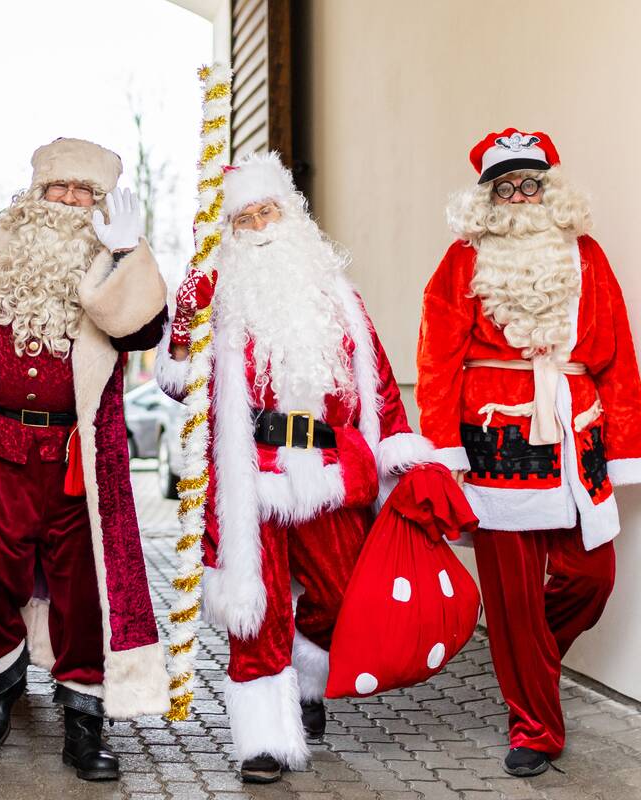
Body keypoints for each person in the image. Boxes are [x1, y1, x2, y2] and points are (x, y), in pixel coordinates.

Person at [0, 138, 170, 781]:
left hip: (78, 454)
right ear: (36, 192)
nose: (72, 203)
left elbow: (145, 332)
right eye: (61, 189)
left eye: (86, 193)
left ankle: (83, 715)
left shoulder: (112, 254)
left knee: (86, 589)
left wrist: (129, 255)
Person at [157, 152, 435, 783]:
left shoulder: (338, 295)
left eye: (268, 211)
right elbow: (179, 387)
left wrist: (401, 450)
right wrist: (183, 330)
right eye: (244, 219)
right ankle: (262, 739)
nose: (259, 226)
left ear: (291, 213)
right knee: (255, 607)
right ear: (228, 233)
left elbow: (380, 385)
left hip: (331, 467)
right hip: (248, 471)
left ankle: (308, 676)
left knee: (343, 596)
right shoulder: (217, 298)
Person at [417, 129, 641, 777]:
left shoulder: (586, 254)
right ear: (488, 196)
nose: (521, 196)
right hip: (495, 441)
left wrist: (626, 445)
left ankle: (526, 658)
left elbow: (619, 355)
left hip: (578, 437)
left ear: (550, 187)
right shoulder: (463, 259)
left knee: (590, 579)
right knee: (511, 595)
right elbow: (436, 357)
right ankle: (535, 727)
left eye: (532, 183)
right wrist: (444, 448)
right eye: (507, 186)